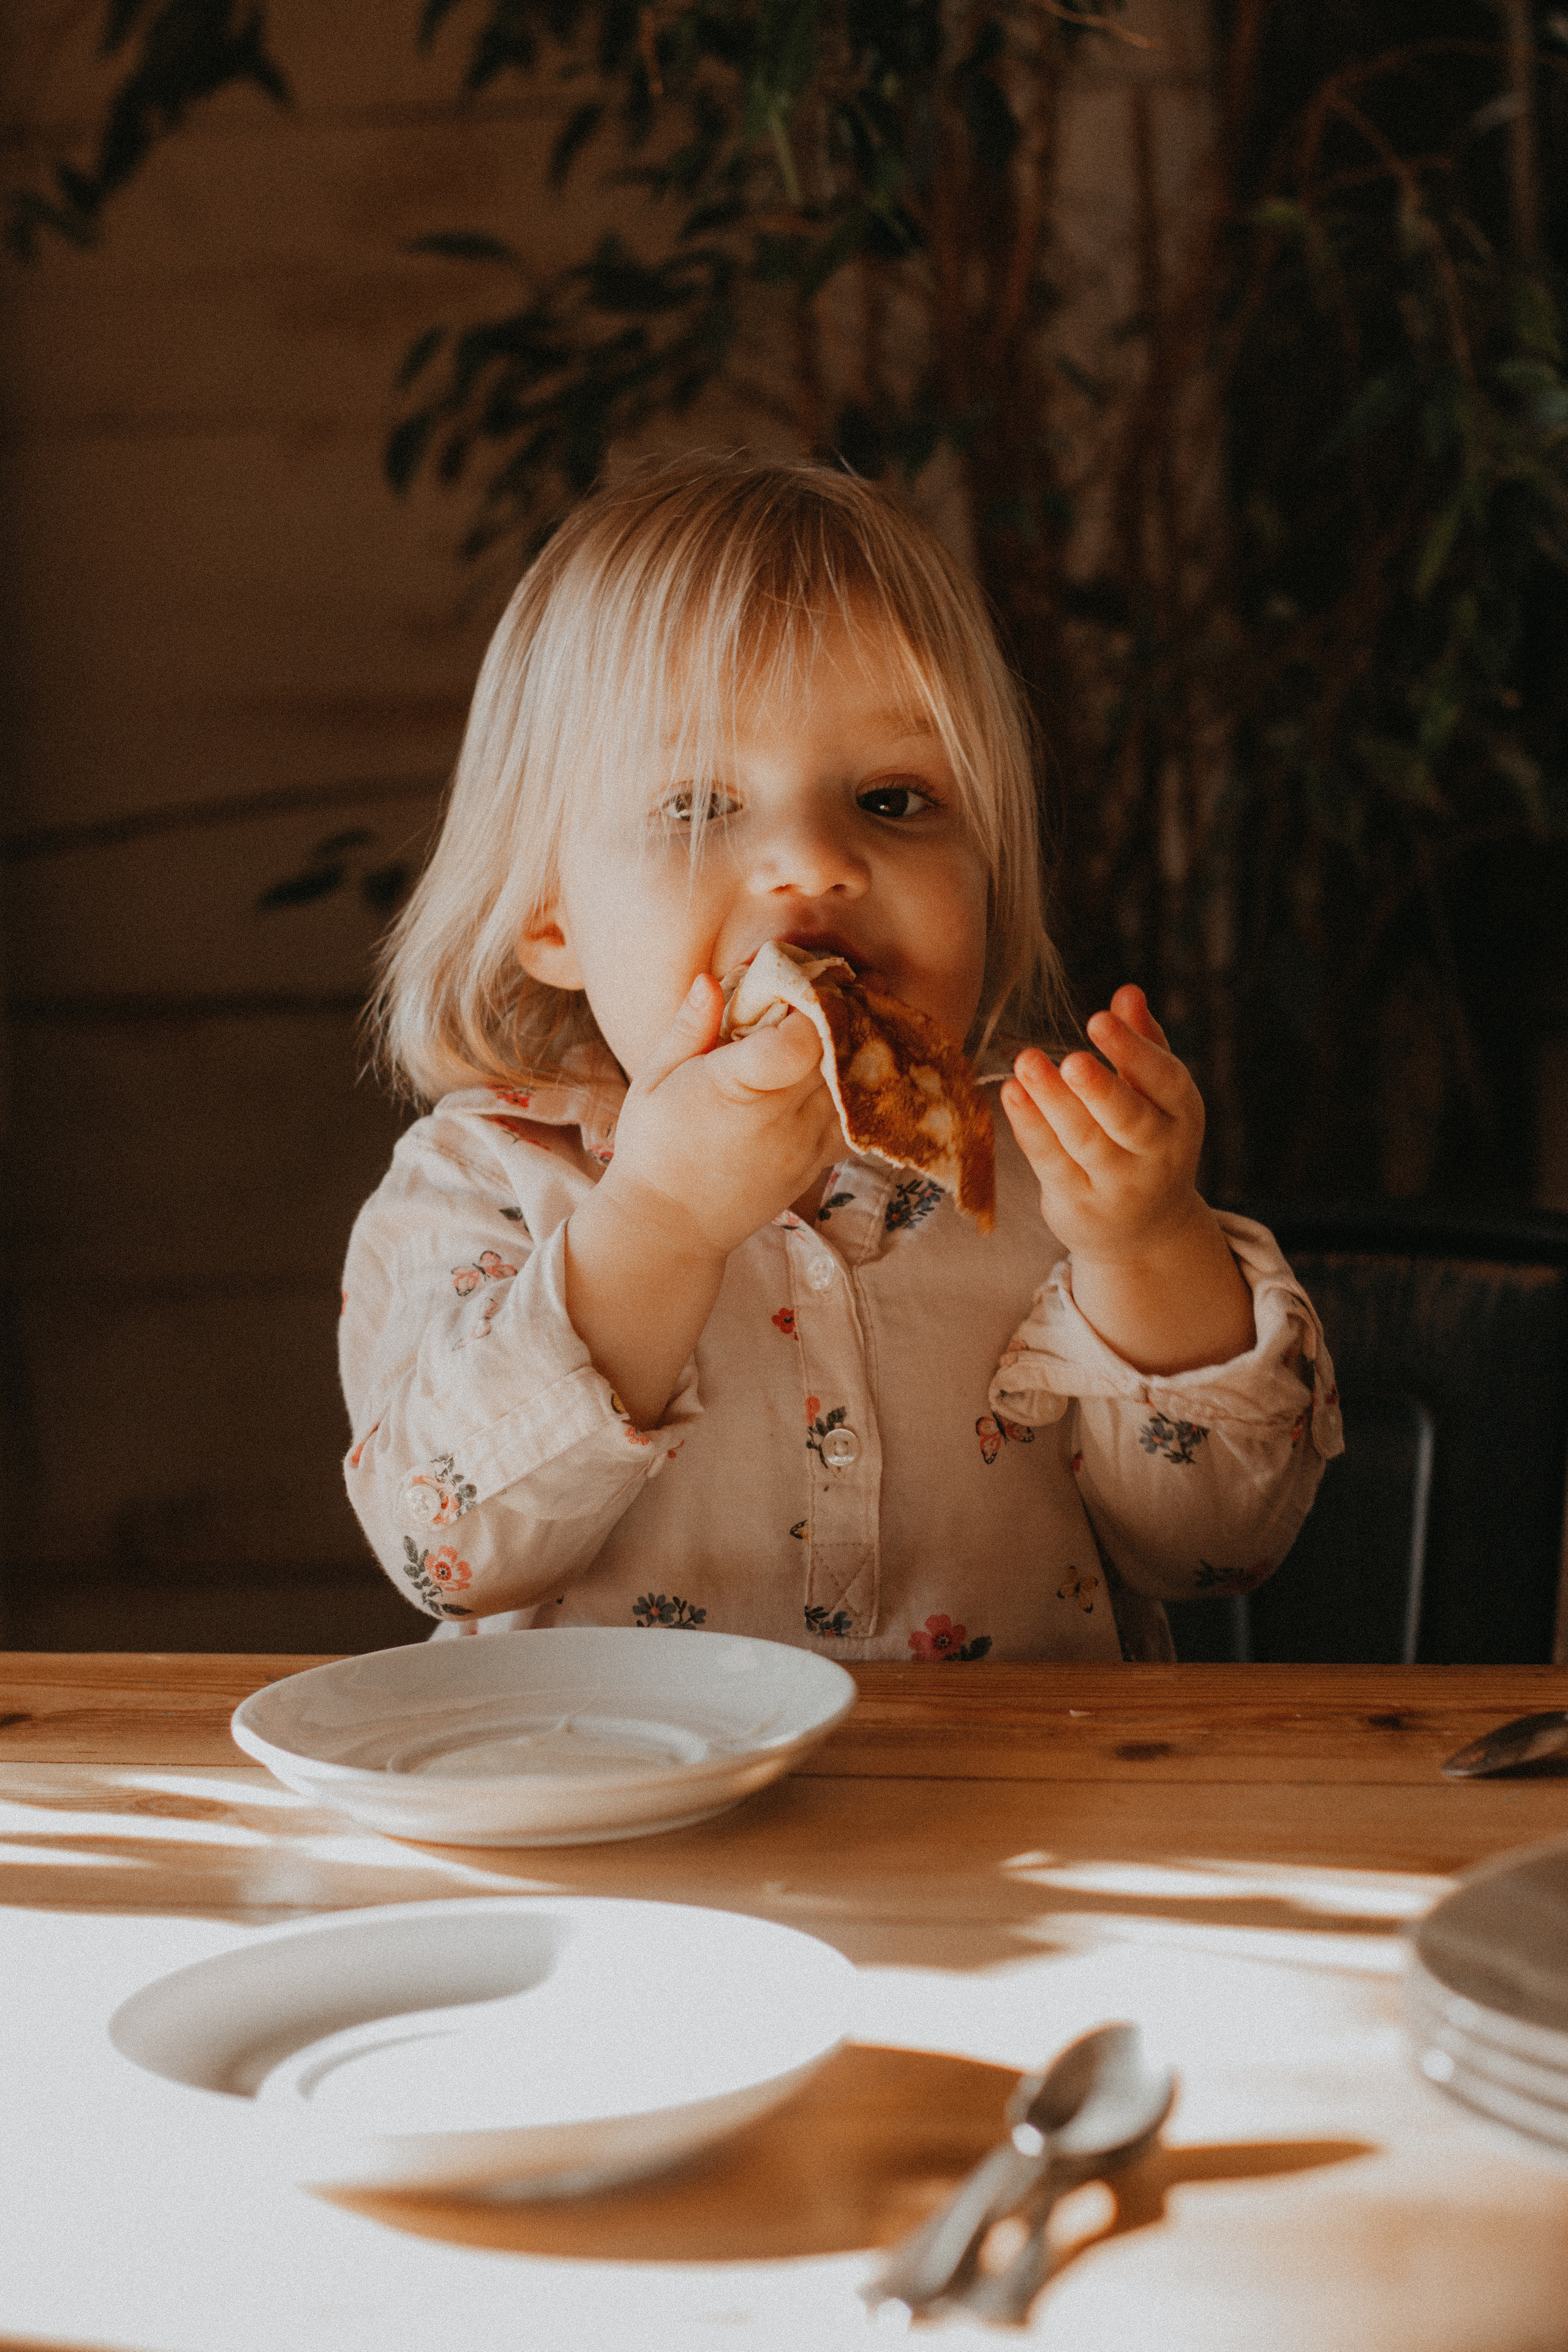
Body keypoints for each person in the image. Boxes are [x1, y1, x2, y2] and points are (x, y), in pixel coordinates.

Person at [341, 458, 1341, 1662]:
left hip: (1019, 1824)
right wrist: (658, 1216)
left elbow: (1214, 1549)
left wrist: (1143, 1246)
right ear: (551, 916)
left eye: (890, 797)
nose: (813, 860)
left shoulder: (1041, 1173)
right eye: (699, 805)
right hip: (624, 1830)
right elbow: (443, 1549)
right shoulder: (487, 1177)